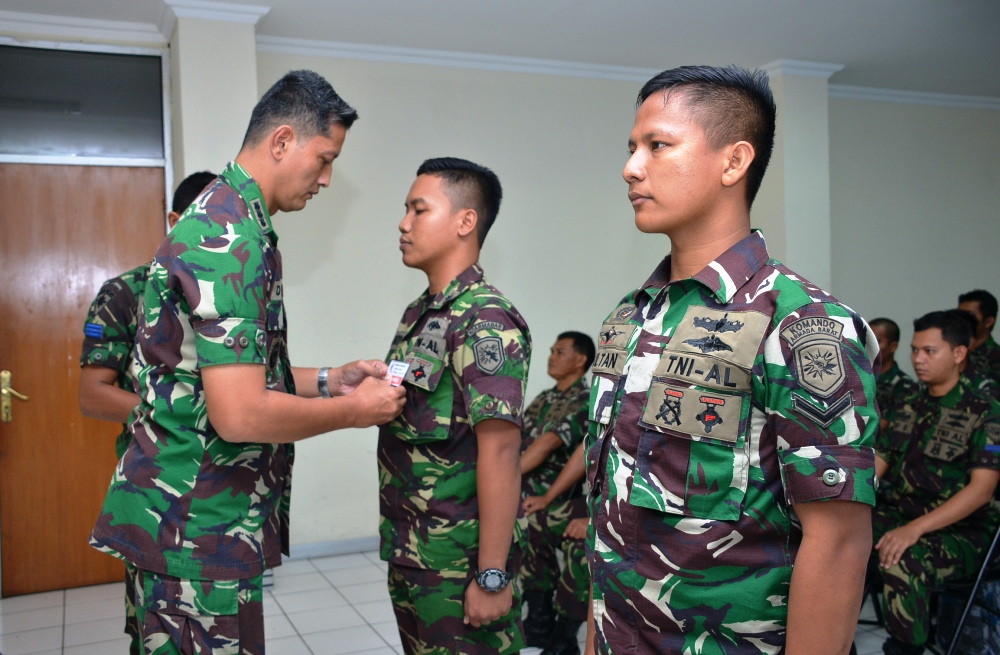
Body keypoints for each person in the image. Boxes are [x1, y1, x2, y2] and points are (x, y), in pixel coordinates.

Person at [89, 70, 406, 655]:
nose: (327, 179)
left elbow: (218, 373)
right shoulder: (229, 235)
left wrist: (330, 381)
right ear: (282, 141)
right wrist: (355, 412)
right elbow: (239, 414)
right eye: (325, 159)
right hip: (195, 526)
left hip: (193, 521)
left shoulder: (235, 221)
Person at [586, 65, 879, 655]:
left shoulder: (799, 321)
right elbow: (609, 506)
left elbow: (839, 541)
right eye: (632, 147)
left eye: (657, 145)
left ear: (734, 161)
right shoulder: (633, 315)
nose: (631, 167)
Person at [378, 157, 531, 655]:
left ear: (465, 221)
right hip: (412, 549)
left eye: (418, 210)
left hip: (458, 559)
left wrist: (491, 575)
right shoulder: (421, 315)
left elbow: (502, 451)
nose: (403, 224)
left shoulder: (485, 319)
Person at [78, 169, 216, 655]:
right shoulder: (127, 293)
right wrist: (181, 412)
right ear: (175, 221)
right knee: (156, 633)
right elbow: (93, 394)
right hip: (157, 494)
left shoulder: (230, 293)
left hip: (220, 500)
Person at [874, 310, 1000, 655]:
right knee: (840, 536)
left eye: (929, 351)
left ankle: (904, 649)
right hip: (902, 515)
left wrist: (914, 529)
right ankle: (833, 639)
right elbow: (877, 467)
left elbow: (982, 491)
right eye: (915, 350)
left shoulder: (986, 412)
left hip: (962, 532)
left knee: (904, 558)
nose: (918, 359)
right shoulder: (907, 405)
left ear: (959, 353)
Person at [517, 332, 594, 651]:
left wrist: (501, 478)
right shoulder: (545, 398)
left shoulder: (584, 400)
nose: (552, 356)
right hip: (529, 492)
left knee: (537, 523)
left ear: (580, 360)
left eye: (560, 352)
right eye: (551, 350)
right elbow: (518, 439)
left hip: (558, 495)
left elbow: (548, 443)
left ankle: (563, 635)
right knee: (529, 525)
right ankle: (539, 620)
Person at [523, 440, 591, 655]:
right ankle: (540, 621)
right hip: (601, 500)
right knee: (535, 522)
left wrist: (595, 520)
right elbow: (586, 448)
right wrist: (546, 498)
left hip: (634, 513)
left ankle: (565, 639)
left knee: (580, 547)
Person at [870, 317, 920, 427]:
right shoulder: (855, 378)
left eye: (876, 341)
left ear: (893, 346)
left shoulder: (904, 386)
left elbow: (883, 428)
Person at [958, 289, 1000, 398]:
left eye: (969, 316)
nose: (961, 321)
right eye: (959, 315)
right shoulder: (954, 353)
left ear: (988, 322)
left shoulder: (995, 358)